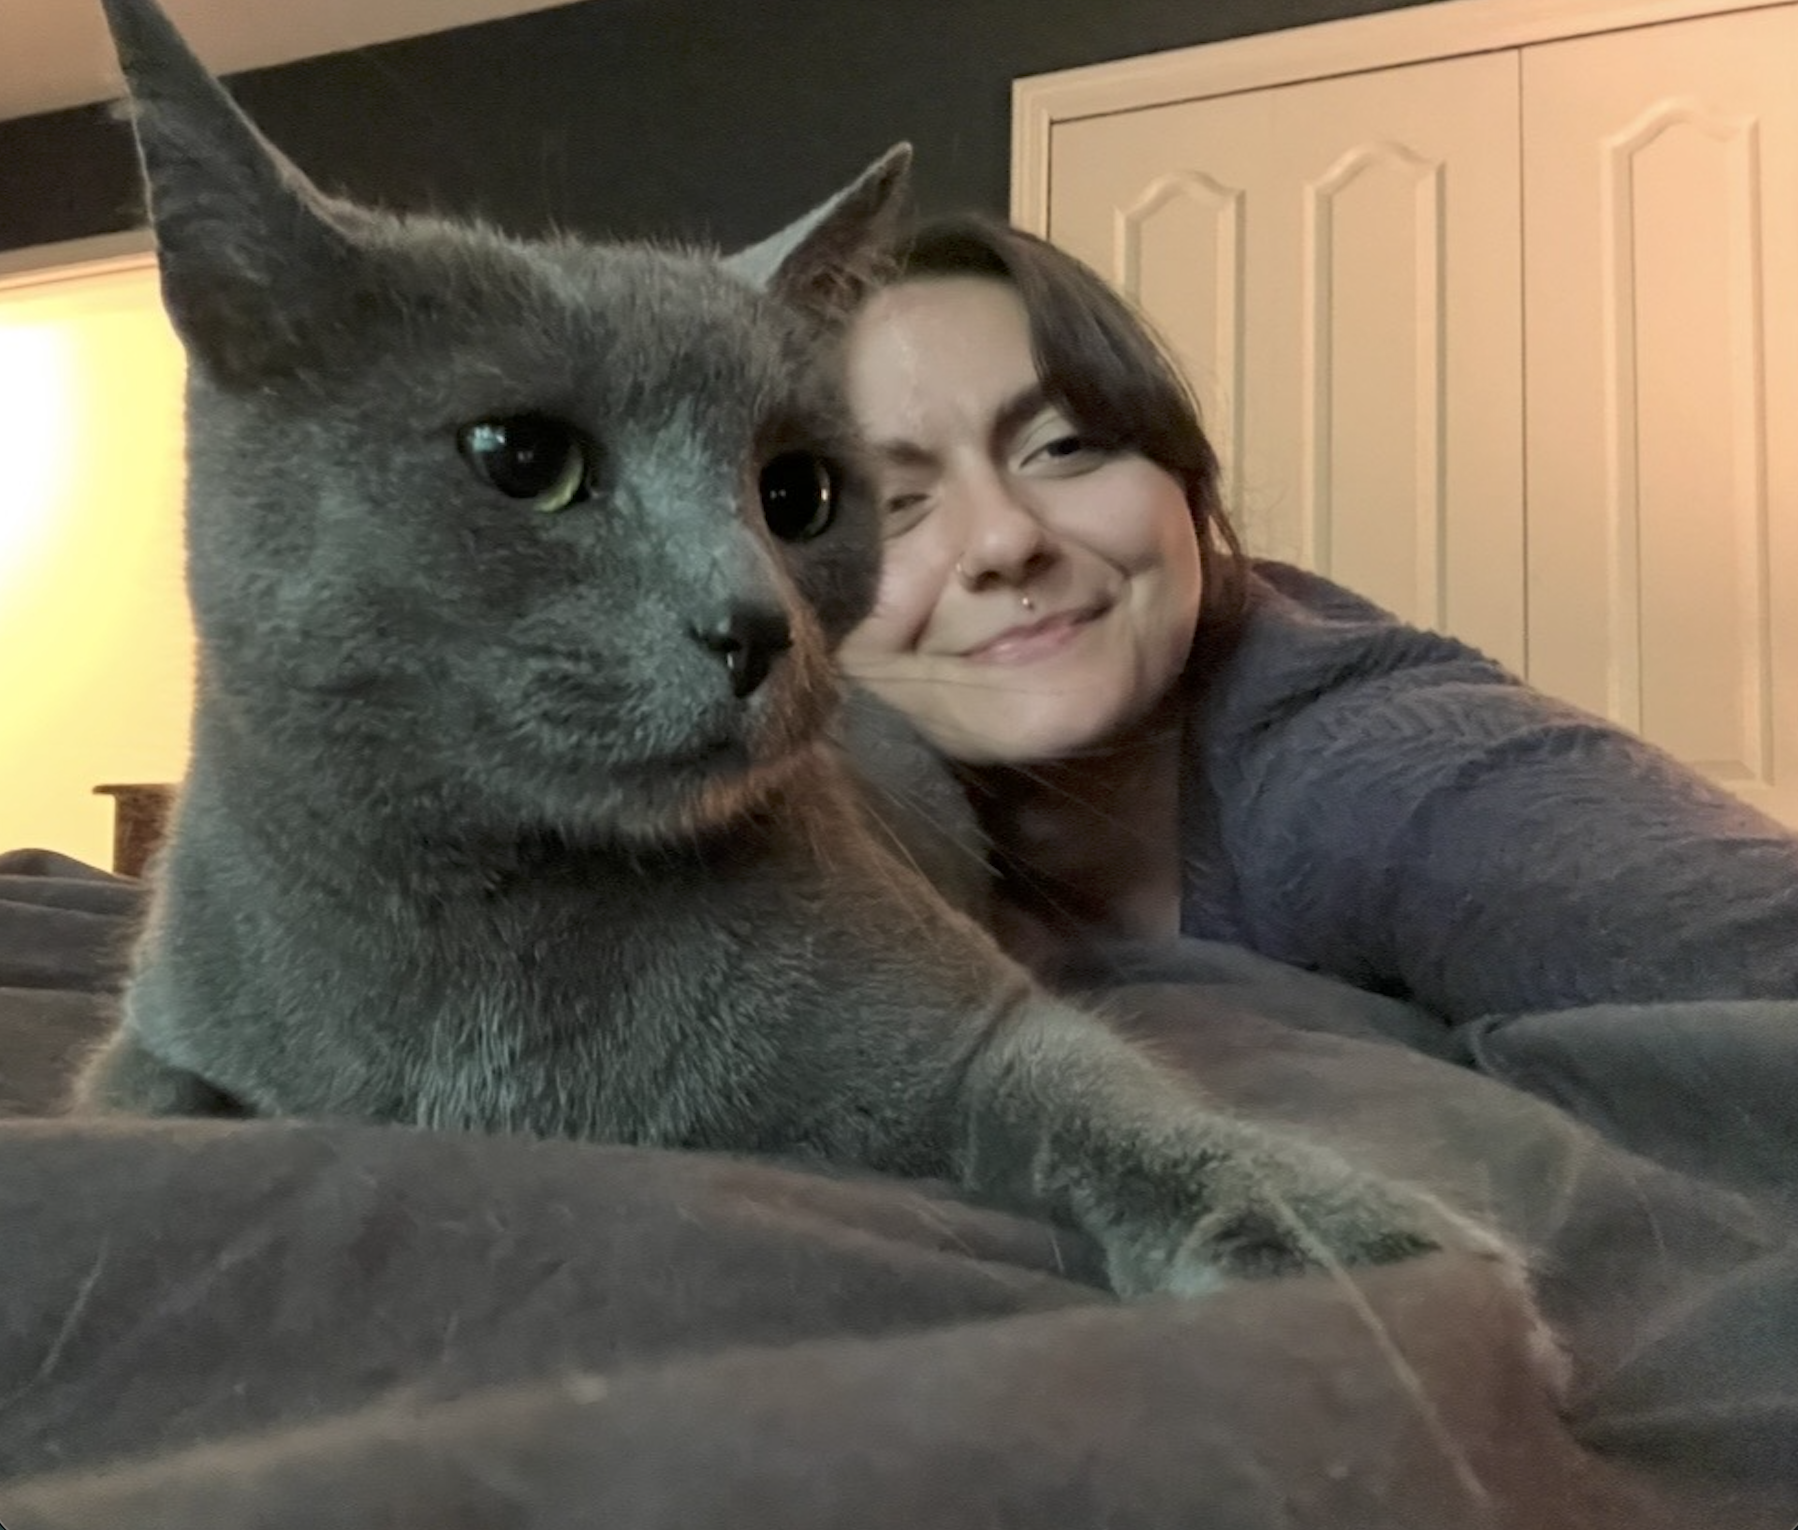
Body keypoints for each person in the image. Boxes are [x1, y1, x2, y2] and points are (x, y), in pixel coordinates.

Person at [834, 214, 1798, 1023]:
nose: (1004, 540)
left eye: (1066, 445)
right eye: (891, 505)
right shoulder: (793, 828)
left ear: (1180, 475)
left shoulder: (1371, 763)